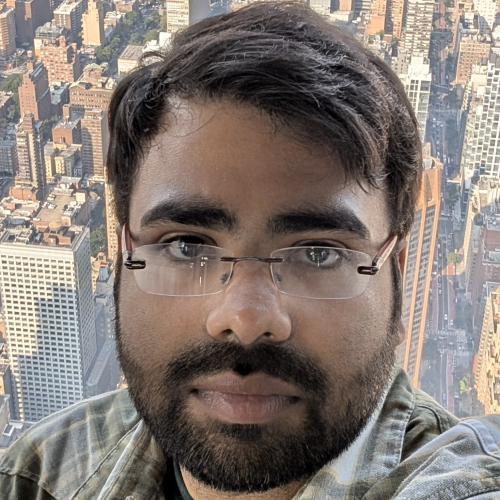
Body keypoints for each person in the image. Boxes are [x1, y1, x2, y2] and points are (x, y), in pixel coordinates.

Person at [1, 2, 500, 499]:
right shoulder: (36, 475)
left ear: (397, 280)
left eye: (318, 253)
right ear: (121, 261)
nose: (244, 319)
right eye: (187, 246)